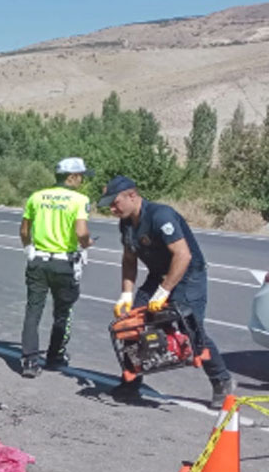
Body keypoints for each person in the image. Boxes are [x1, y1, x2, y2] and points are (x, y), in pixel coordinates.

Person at [101, 175, 235, 408]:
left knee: (191, 329)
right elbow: (129, 259)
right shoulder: (126, 222)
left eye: (115, 202)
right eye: (110, 204)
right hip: (159, 275)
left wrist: (164, 291)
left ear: (132, 196)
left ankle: (222, 381)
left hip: (188, 275)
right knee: (131, 325)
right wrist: (126, 293)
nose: (112, 208)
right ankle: (131, 382)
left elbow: (183, 255)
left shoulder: (160, 215)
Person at [18, 157, 94, 378]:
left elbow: (24, 231)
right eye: (80, 176)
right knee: (63, 311)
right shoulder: (79, 199)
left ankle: (29, 361)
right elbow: (81, 233)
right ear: (71, 177)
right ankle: (55, 355)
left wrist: (28, 248)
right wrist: (88, 244)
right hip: (63, 262)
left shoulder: (36, 197)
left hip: (38, 261)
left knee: (33, 309)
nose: (81, 180)